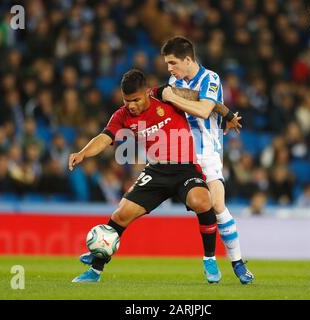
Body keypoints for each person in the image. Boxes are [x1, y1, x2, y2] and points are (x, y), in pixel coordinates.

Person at [70, 69, 220, 283]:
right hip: (156, 170)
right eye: (126, 100)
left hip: (185, 168)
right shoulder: (121, 115)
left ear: (147, 92)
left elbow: (203, 100)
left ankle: (209, 258)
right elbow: (104, 138)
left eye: (136, 100)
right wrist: (83, 152)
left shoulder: (165, 95)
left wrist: (228, 114)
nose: (131, 105)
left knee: (202, 201)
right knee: (121, 214)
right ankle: (95, 270)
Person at [159, 36, 254, 284]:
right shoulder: (174, 81)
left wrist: (170, 96)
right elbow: (196, 100)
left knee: (218, 206)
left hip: (207, 152)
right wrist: (228, 113)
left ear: (188, 59)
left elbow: (202, 108)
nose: (169, 69)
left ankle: (237, 263)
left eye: (172, 62)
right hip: (180, 154)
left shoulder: (210, 78)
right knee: (203, 206)